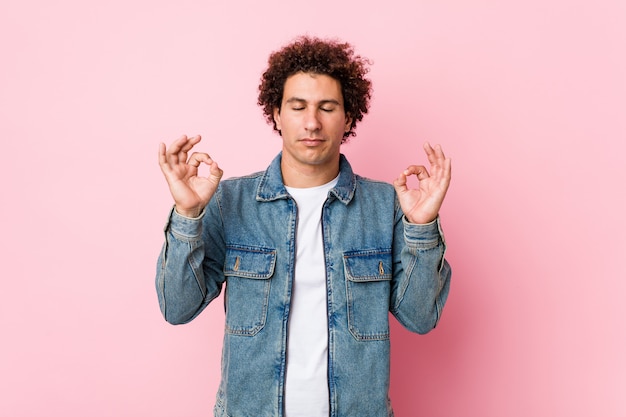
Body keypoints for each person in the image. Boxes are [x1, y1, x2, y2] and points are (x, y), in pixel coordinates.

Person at [156, 36, 452, 417]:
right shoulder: (229, 202)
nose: (312, 122)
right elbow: (177, 308)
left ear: (348, 117)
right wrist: (187, 214)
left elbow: (421, 317)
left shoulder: (386, 206)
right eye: (298, 107)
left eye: (327, 107)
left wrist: (422, 226)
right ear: (276, 114)